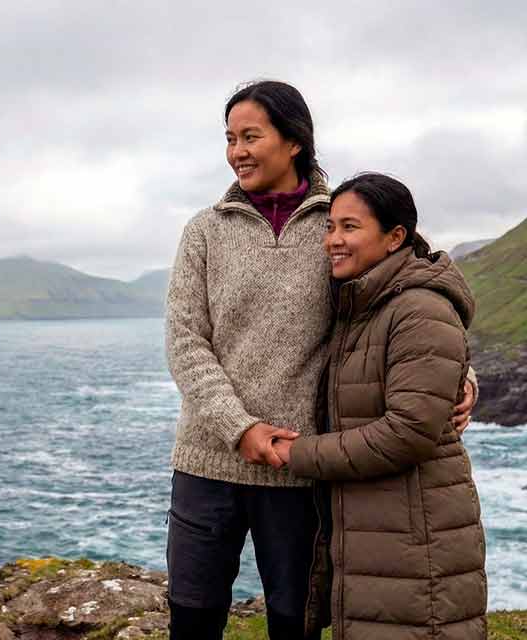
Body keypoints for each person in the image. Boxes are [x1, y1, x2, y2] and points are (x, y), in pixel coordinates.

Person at [163, 80, 476, 640]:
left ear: (293, 143)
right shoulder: (204, 231)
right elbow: (186, 341)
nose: (237, 151)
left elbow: (403, 298)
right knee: (192, 612)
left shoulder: (341, 223)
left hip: (299, 465)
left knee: (295, 618)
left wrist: (459, 374)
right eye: (230, 138)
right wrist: (241, 429)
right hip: (206, 459)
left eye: (251, 136)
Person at [275, 173, 487, 639]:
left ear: (395, 238)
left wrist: (299, 454)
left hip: (415, 535)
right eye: (330, 227)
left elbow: (408, 432)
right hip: (381, 532)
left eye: (350, 228)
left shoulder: (418, 307)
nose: (333, 240)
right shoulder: (361, 304)